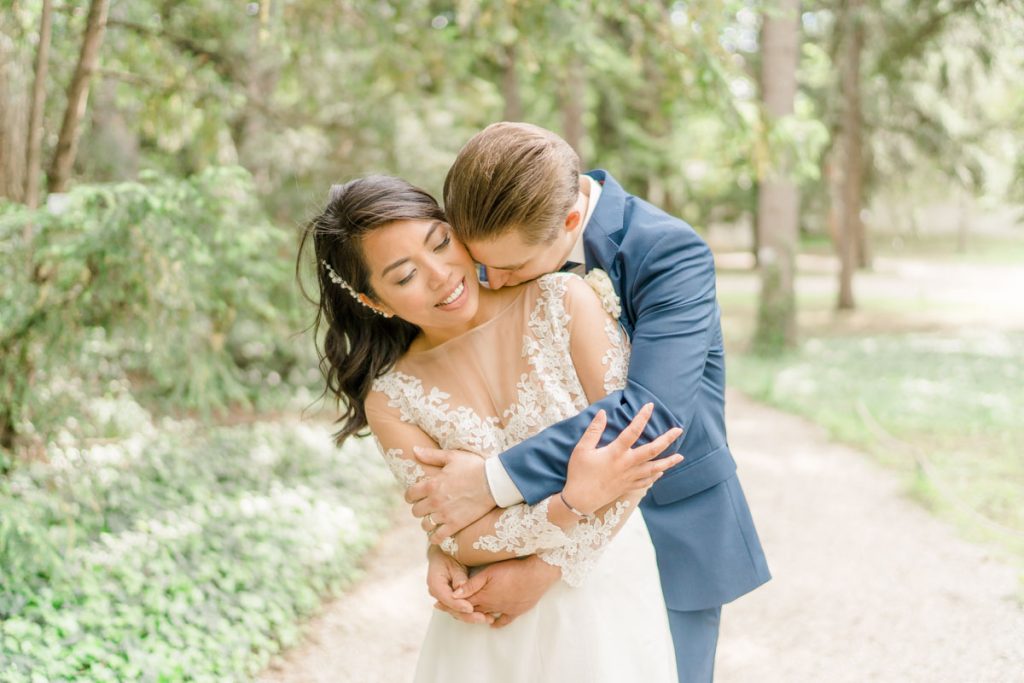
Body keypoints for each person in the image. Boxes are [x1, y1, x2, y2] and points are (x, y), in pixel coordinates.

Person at [406, 122, 772, 683]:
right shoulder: (495, 236)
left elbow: (650, 419)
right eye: (481, 262)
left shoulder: (668, 251)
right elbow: (478, 395)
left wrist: (489, 483)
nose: (489, 280)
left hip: (668, 527)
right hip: (537, 521)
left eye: (509, 267)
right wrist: (455, 542)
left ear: (572, 221)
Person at [297, 175, 683, 681]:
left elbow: (639, 449)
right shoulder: (392, 399)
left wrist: (545, 566)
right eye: (405, 275)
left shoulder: (563, 301)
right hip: (490, 616)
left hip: (605, 588)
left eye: (440, 242)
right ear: (375, 302)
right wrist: (570, 504)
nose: (440, 275)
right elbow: (458, 538)